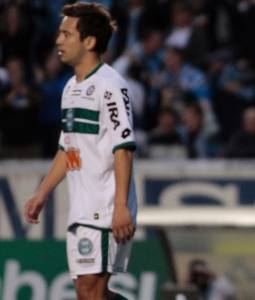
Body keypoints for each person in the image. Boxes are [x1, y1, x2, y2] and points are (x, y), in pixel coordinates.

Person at [23, 3, 137, 299]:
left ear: (89, 41)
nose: (58, 41)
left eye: (65, 34)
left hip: (106, 205)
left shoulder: (111, 86)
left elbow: (123, 148)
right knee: (87, 293)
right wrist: (42, 192)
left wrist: (121, 206)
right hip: (81, 206)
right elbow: (67, 147)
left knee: (91, 291)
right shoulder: (71, 87)